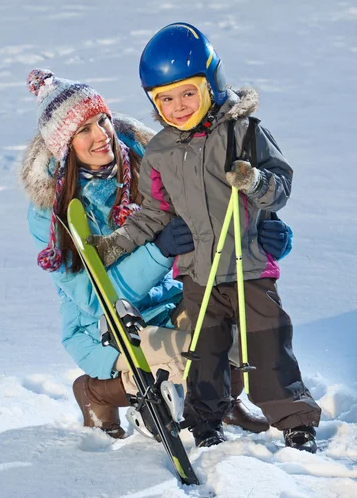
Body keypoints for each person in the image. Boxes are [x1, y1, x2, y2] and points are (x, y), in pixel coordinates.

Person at [21, 68, 291, 441]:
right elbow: (88, 298)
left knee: (246, 339)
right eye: (84, 130)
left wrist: (274, 237)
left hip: (175, 297)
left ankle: (222, 401)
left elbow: (215, 214)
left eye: (103, 121)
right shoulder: (50, 210)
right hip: (101, 326)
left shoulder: (148, 161)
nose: (102, 135)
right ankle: (96, 391)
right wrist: (158, 252)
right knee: (197, 357)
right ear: (64, 144)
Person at [89, 22, 321, 452]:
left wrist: (253, 182)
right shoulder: (159, 153)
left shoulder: (245, 133)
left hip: (250, 265)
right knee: (205, 354)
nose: (178, 106)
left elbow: (281, 189)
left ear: (211, 83)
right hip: (199, 273)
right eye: (165, 99)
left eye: (188, 93)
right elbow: (156, 212)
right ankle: (205, 421)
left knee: (269, 345)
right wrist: (117, 243)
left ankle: (294, 418)